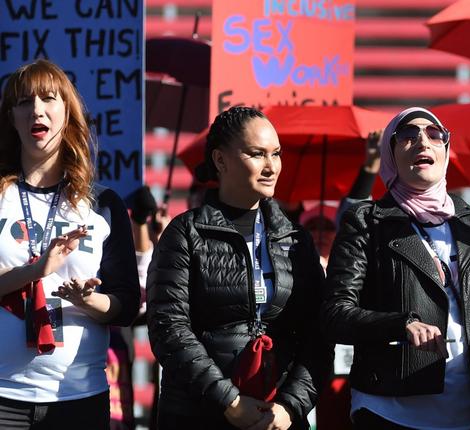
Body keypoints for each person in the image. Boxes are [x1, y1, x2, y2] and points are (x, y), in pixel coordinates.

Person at [321, 107, 470, 429]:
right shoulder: (367, 221)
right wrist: (401, 324)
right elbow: (335, 314)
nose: (422, 142)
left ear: (446, 150)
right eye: (408, 136)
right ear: (390, 154)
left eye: (434, 135)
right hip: (390, 410)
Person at [146, 106, 331, 430]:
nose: (271, 166)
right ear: (220, 160)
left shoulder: (295, 238)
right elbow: (169, 328)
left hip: (278, 417)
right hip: (199, 414)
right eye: (257, 154)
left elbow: (318, 334)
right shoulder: (185, 232)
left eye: (276, 154)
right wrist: (229, 401)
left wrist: (290, 406)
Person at [0, 59, 140, 428]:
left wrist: (89, 300)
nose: (37, 110)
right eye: (24, 102)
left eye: (49, 98)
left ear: (68, 112)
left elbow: (126, 306)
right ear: (12, 118)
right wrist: (35, 271)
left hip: (77, 396)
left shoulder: (103, 205)